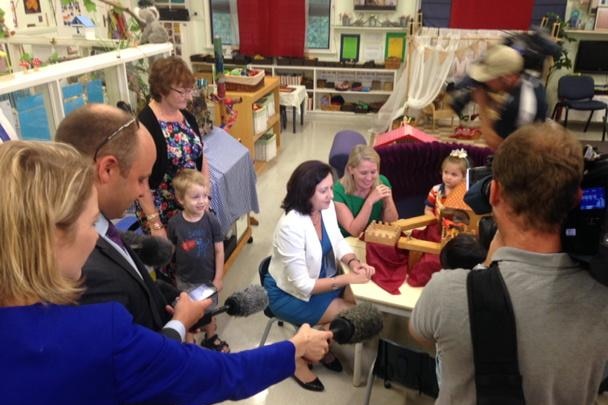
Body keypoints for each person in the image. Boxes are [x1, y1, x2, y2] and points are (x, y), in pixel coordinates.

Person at [0, 140, 333, 405]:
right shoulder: (100, 331)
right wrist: (294, 348)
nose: (96, 237)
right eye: (90, 223)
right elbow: (223, 375)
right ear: (50, 234)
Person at [409, 122, 608, 404]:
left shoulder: (446, 291)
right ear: (577, 197)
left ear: (494, 193)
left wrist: (487, 267)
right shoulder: (602, 297)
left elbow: (424, 337)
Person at [55, 103, 201, 342]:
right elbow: (132, 367)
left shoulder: (101, 224)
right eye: (141, 179)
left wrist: (171, 300)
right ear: (108, 169)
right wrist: (179, 327)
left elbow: (133, 284)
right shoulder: (79, 262)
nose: (144, 193)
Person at [264, 160, 375, 392]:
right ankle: (296, 358)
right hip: (288, 294)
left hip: (322, 278)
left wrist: (353, 262)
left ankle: (316, 345)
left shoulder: (325, 208)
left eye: (331, 188)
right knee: (352, 311)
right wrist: (347, 279)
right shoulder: (290, 226)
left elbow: (336, 240)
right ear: (306, 193)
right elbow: (303, 285)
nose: (330, 195)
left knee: (358, 300)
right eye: (324, 190)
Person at [137, 55, 210, 238]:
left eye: (189, 90)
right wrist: (155, 223)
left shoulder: (186, 116)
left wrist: (205, 195)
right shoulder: (146, 125)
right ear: (162, 90)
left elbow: (201, 157)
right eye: (182, 91)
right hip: (163, 210)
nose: (189, 96)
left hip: (192, 203)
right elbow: (140, 181)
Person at [168, 168, 229, 352]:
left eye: (205, 196)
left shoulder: (211, 221)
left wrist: (218, 278)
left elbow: (219, 251)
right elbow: (172, 252)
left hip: (208, 281)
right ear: (180, 200)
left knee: (209, 312)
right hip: (184, 281)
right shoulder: (174, 224)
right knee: (188, 313)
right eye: (195, 197)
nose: (202, 201)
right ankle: (190, 343)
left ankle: (211, 337)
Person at [469, 44, 547, 150]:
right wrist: (491, 102)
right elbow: (511, 116)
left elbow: (500, 146)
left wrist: (482, 106)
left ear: (506, 77)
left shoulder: (520, 104)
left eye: (489, 78)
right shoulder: (526, 81)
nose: (485, 82)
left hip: (522, 161)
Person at [333, 144, 398, 237]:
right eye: (363, 173)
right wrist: (369, 201)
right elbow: (354, 231)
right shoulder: (337, 192)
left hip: (373, 235)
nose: (369, 178)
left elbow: (392, 223)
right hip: (348, 240)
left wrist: (388, 201)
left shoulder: (382, 181)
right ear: (351, 170)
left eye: (373, 172)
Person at [424, 149, 469, 218]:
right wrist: (435, 220)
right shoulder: (435, 190)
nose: (448, 177)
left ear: (464, 177)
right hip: (436, 224)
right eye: (446, 172)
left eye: (454, 174)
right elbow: (428, 210)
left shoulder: (466, 193)